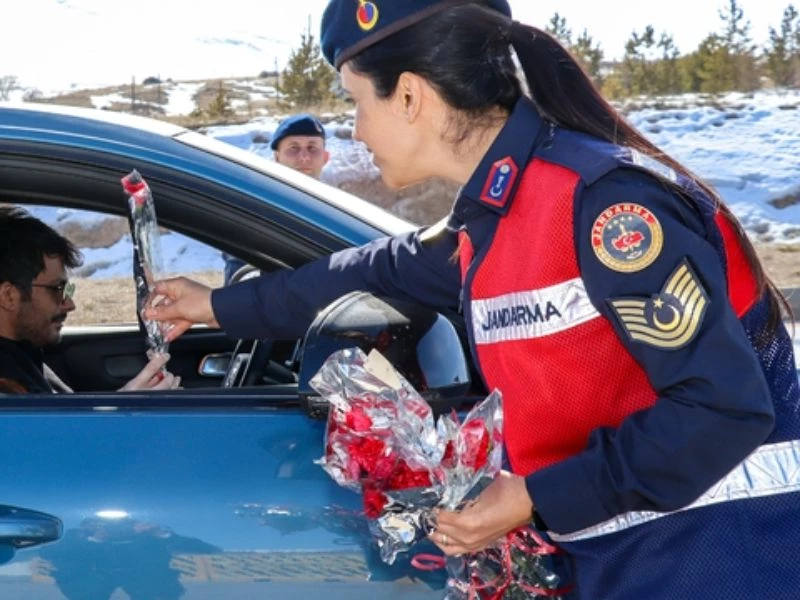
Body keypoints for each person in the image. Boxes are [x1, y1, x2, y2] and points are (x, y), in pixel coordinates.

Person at [145, 1, 800, 597]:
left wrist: (533, 496)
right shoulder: (491, 217)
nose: (355, 131)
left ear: (409, 96)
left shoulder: (604, 206)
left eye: (356, 104)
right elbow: (366, 273)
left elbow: (723, 408)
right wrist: (213, 307)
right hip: (627, 552)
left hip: (722, 554)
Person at [0, 206, 180, 393]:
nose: (70, 304)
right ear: (8, 296)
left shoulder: (26, 357)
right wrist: (122, 408)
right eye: (57, 289)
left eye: (68, 290)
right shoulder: (7, 383)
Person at [222, 113, 330, 284]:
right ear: (277, 157)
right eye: (293, 148)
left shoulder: (339, 212)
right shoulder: (256, 212)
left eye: (312, 148)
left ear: (325, 157)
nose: (304, 157)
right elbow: (240, 279)